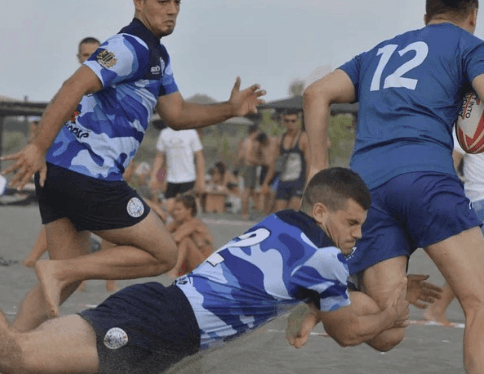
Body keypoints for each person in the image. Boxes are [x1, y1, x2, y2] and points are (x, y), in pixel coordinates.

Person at [0, 0, 266, 333]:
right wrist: (37, 145)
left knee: (66, 280)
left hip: (59, 174)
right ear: (139, 3)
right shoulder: (128, 46)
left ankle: (8, 349)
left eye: (177, 2)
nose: (172, 9)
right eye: (162, 1)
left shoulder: (159, 57)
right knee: (163, 254)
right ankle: (58, 272)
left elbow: (177, 114)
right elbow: (74, 85)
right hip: (87, 176)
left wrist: (230, 108)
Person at [0, 167, 413, 374]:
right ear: (321, 212)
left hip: (157, 310)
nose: (358, 235)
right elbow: (349, 334)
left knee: (21, 354)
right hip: (163, 327)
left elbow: (285, 285)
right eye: (352, 222)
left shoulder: (282, 221)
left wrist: (311, 313)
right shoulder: (325, 259)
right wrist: (390, 313)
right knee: (16, 357)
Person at [303, 1, 484, 372]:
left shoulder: (378, 52)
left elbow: (315, 93)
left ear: (426, 16)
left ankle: (325, 299)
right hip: (425, 178)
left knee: (388, 330)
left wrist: (317, 171)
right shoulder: (468, 45)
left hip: (367, 192)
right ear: (473, 17)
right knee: (480, 303)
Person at [424, 131, 484, 325]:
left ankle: (437, 309)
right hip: (479, 199)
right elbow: (454, 157)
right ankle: (437, 309)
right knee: (474, 261)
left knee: (474, 262)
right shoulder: (470, 120)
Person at [149, 125, 205, 214]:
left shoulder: (191, 133)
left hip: (188, 179)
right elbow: (159, 156)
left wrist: (201, 179)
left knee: (188, 212)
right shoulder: (165, 133)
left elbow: (199, 156)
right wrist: (153, 177)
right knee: (170, 211)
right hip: (171, 179)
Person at [165, 194, 214, 278]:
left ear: (189, 210)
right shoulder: (178, 223)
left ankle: (174, 270)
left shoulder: (194, 223)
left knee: (185, 240)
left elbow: (176, 238)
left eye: (179, 210)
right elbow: (160, 235)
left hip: (202, 266)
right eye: (174, 210)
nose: (175, 213)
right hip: (189, 265)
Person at [274, 110, 310, 212]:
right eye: (287, 121)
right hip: (283, 180)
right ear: (284, 122)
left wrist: (307, 185)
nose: (290, 123)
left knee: (292, 213)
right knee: (279, 215)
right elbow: (275, 162)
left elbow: (309, 163)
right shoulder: (281, 138)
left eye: (293, 121)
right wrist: (267, 182)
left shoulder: (303, 138)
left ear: (298, 121)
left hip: (298, 181)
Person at [237, 124, 260, 219]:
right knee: (247, 191)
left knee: (249, 191)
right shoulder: (249, 142)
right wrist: (260, 162)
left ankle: (246, 212)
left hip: (246, 167)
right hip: (250, 167)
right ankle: (245, 213)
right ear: (254, 132)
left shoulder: (244, 142)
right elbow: (248, 158)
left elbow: (240, 157)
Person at [256, 131, 280, 214]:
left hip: (275, 168)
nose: (265, 143)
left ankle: (270, 210)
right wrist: (261, 161)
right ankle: (265, 211)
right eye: (263, 143)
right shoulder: (260, 146)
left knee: (273, 192)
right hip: (265, 168)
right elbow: (257, 156)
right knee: (264, 190)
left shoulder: (275, 140)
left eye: (265, 141)